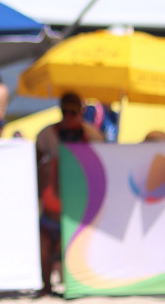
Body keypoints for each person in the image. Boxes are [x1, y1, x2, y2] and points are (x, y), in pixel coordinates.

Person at [35, 92, 104, 295]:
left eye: (72, 112)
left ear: (81, 112)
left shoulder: (93, 136)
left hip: (77, 207)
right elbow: (35, 165)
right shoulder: (47, 134)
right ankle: (46, 289)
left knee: (73, 252)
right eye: (64, 111)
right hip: (51, 205)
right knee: (45, 248)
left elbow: (99, 169)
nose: (67, 116)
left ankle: (72, 288)